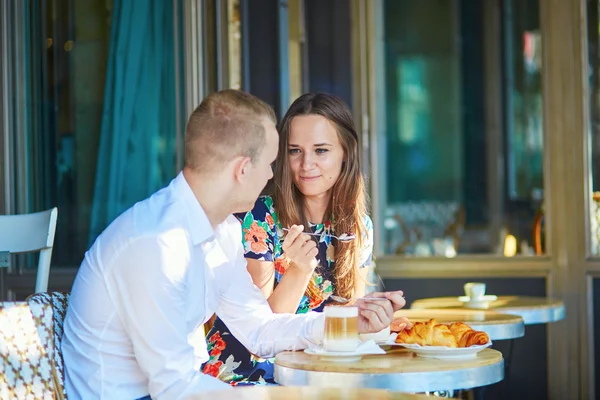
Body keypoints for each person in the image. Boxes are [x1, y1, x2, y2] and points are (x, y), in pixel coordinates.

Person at [62, 89, 407, 400]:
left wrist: (350, 322)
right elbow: (174, 387)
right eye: (272, 163)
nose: (276, 175)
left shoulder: (222, 233)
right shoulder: (154, 244)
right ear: (243, 169)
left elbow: (260, 329)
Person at [203, 93, 411, 384]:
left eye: (321, 150)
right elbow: (262, 333)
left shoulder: (359, 227)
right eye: (295, 151)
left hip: (314, 374)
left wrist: (372, 320)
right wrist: (299, 271)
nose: (306, 164)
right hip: (247, 376)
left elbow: (344, 322)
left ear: (345, 153)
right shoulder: (258, 218)